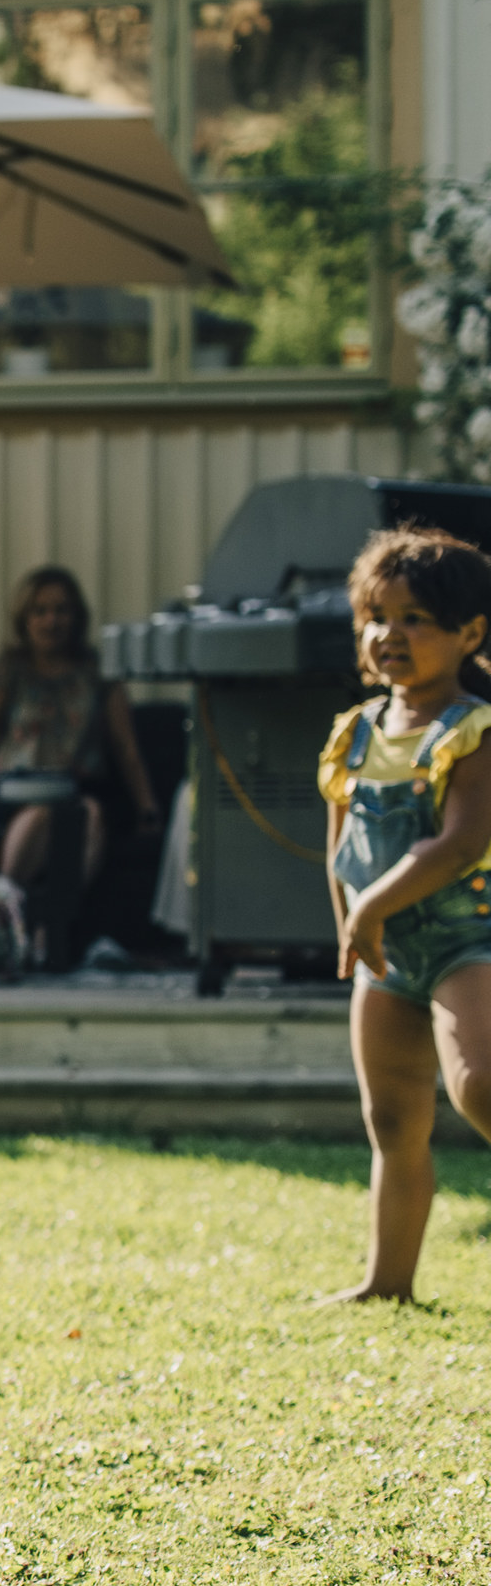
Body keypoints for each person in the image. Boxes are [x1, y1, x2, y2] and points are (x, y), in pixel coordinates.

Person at [317, 526, 491, 1304]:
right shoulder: (354, 734)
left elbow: (458, 847)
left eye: (417, 618)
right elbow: (339, 848)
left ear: (470, 634)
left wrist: (372, 911)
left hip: (468, 938)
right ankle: (387, 1283)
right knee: (392, 1119)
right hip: (386, 953)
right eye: (376, 615)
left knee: (479, 1084)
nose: (391, 634)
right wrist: (350, 925)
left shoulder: (472, 732)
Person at [0, 565, 162, 911]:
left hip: (81, 791)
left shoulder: (97, 672)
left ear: (76, 617)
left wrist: (148, 811)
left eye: (62, 611)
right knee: (43, 816)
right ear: (24, 619)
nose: (52, 621)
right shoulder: (7, 670)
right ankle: (4, 910)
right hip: (14, 794)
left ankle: (54, 922)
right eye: (40, 611)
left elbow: (126, 748)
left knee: (86, 814)